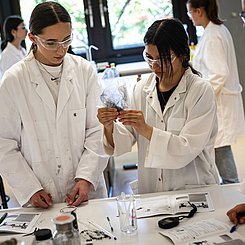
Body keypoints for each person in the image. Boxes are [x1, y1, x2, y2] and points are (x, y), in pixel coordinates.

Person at [0, 1, 108, 208]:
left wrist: (85, 177)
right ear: (32, 37)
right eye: (51, 43)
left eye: (66, 40)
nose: (61, 50)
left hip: (87, 193)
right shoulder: (14, 80)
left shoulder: (84, 71)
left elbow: (97, 130)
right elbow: (4, 143)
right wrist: (29, 188)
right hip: (41, 193)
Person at [97, 18, 219, 194]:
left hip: (194, 188)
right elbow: (125, 140)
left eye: (163, 59)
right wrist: (109, 127)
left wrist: (145, 129)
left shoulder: (200, 91)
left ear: (183, 54)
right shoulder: (141, 89)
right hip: (152, 191)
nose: (155, 66)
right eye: (149, 58)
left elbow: (186, 148)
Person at [187, 0, 245, 184]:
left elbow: (219, 74)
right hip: (221, 101)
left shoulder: (213, 35)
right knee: (220, 148)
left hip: (220, 103)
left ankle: (232, 189)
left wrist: (200, 97)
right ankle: (230, 186)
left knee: (221, 149)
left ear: (198, 11)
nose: (189, 17)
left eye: (190, 12)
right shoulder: (215, 31)